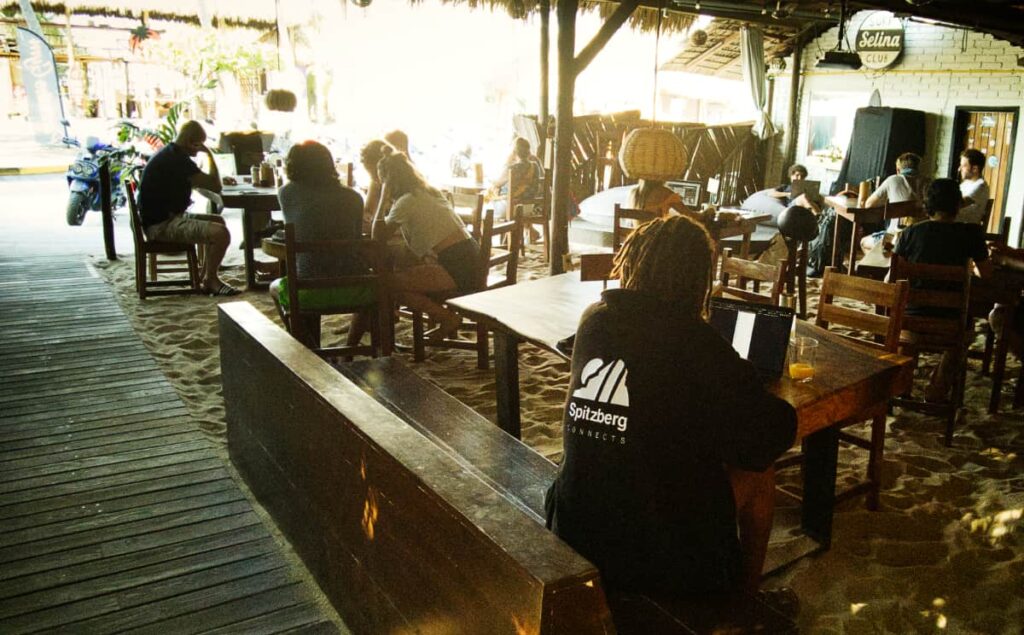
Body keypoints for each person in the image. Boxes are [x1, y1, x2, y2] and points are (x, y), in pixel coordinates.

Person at [545, 215, 797, 599]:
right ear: (697, 278)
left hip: (573, 518)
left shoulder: (594, 319)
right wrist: (749, 383)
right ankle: (744, 599)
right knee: (759, 472)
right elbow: (768, 435)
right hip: (652, 548)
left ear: (635, 263)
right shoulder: (694, 340)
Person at [892, 178, 992, 401]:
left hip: (910, 319)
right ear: (958, 205)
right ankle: (937, 391)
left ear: (927, 205)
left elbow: (893, 277)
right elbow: (987, 275)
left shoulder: (910, 233)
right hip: (952, 323)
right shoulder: (972, 234)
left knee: (907, 327)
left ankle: (902, 386)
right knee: (964, 334)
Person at [270, 141, 370, 348]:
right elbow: (355, 236)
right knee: (373, 288)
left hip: (309, 284)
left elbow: (300, 226)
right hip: (352, 282)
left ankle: (310, 347)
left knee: (276, 287)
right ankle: (349, 349)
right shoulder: (353, 197)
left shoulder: (287, 193)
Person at [372, 148, 479, 340]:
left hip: (456, 267)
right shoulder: (429, 191)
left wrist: (383, 196)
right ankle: (435, 315)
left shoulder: (406, 201)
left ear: (388, 181)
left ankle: (446, 318)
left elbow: (377, 235)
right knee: (404, 270)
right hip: (471, 259)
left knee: (388, 283)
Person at [138, 120, 237, 296]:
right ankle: (211, 280)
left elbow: (195, 181)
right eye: (199, 144)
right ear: (192, 142)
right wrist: (209, 155)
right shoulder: (178, 160)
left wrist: (205, 176)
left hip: (159, 219)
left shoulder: (170, 154)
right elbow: (215, 186)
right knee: (221, 233)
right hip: (161, 226)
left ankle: (206, 276)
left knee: (218, 221)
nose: (199, 148)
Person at [859, 152, 930, 253]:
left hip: (895, 238)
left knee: (863, 242)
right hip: (921, 240)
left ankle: (885, 266)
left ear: (898, 170)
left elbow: (868, 204)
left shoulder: (892, 180)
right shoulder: (928, 182)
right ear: (918, 168)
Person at [488, 137, 544, 221]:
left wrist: (507, 162)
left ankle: (500, 230)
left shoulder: (512, 168)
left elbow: (497, 183)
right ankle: (522, 231)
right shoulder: (535, 166)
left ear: (514, 152)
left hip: (510, 208)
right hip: (528, 208)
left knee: (486, 205)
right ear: (529, 152)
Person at [957, 148, 990, 225]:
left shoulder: (981, 186)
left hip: (966, 229)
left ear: (975, 169)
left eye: (964, 166)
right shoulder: (965, 184)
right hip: (956, 225)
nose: (959, 169)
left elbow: (960, 203)